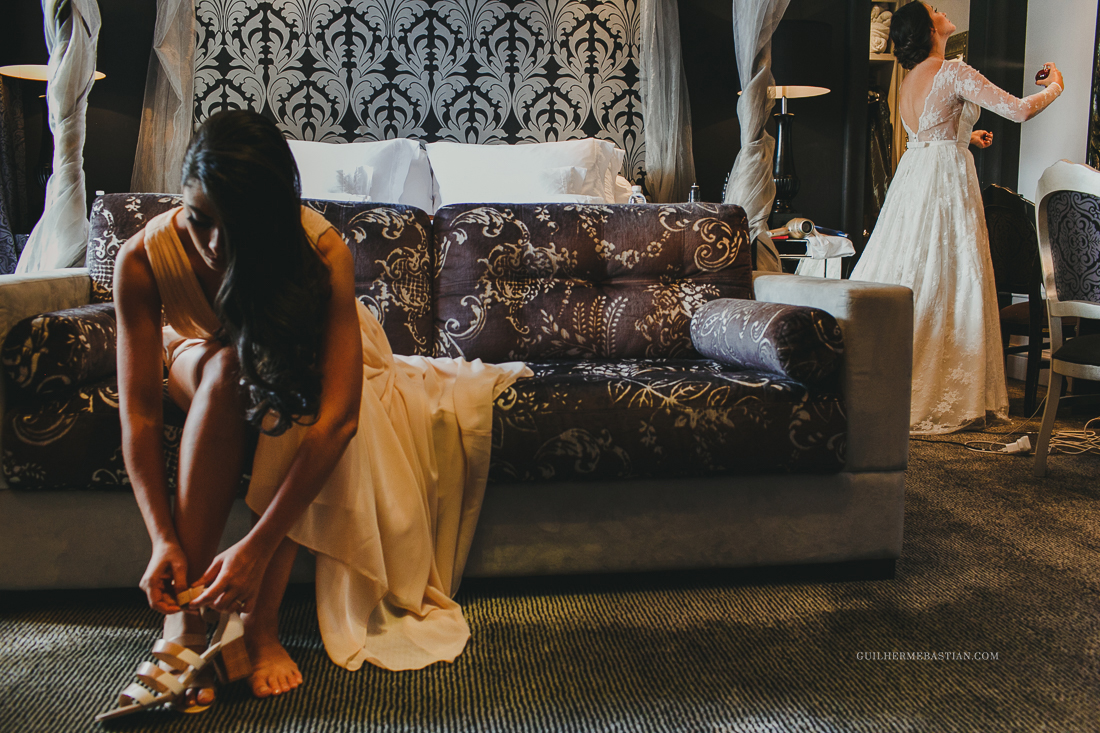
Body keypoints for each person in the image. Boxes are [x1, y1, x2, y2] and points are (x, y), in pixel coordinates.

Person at [106, 110, 530, 717]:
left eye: (238, 225)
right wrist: (160, 540)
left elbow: (338, 422)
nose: (216, 244)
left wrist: (255, 548)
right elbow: (142, 417)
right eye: (200, 218)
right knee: (226, 370)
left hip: (301, 352)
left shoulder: (317, 249)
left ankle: (259, 627)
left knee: (293, 389)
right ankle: (186, 627)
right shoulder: (142, 260)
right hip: (199, 353)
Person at [851, 2, 1063, 435]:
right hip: (946, 180)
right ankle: (940, 382)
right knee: (952, 272)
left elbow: (934, 131)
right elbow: (1019, 110)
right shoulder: (952, 71)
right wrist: (1057, 86)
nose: (941, 10)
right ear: (928, 29)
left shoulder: (910, 79)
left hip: (914, 176)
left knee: (914, 267)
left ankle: (883, 375)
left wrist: (969, 136)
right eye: (934, 10)